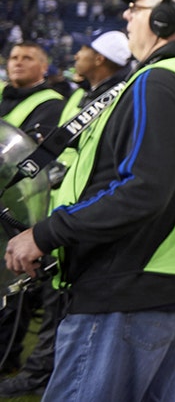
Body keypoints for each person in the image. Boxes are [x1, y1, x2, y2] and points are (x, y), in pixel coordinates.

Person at [3, 0, 175, 401]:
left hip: (133, 282)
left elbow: (143, 191)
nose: (127, 16)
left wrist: (45, 234)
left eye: (137, 7)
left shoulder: (162, 80)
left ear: (166, 19)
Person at [0, 31, 132, 398]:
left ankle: (40, 370)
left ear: (102, 58)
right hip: (57, 205)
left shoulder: (113, 98)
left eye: (86, 50)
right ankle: (40, 367)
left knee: (51, 297)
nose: (77, 55)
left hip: (72, 212)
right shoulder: (81, 95)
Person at [0, 42, 64, 378]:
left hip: (18, 208)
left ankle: (6, 356)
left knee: (11, 285)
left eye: (28, 58)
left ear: (44, 67)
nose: (18, 63)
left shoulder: (51, 103)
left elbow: (26, 153)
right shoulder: (3, 92)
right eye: (13, 57)